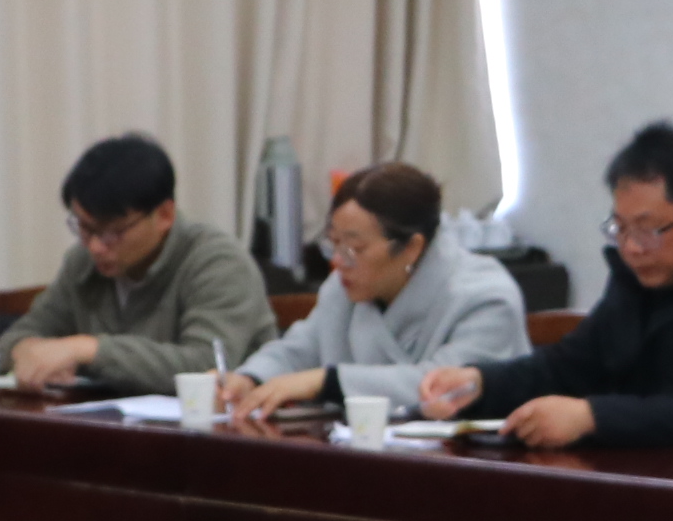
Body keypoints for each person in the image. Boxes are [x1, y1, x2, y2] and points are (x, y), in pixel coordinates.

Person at [424, 121, 673, 449]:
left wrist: (591, 417)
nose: (631, 248)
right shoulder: (640, 275)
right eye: (620, 228)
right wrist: (481, 383)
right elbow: (571, 364)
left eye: (648, 229)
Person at [222, 161, 530, 420]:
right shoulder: (345, 285)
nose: (339, 261)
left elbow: (444, 386)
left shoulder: (485, 296)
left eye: (355, 248)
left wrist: (328, 382)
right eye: (334, 243)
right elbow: (301, 347)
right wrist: (250, 378)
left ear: (412, 247)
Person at [0, 133, 272, 395]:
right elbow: (16, 339)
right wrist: (26, 350)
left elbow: (205, 365)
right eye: (84, 228)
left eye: (113, 232)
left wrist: (89, 350)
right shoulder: (82, 262)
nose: (95, 246)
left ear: (164, 215)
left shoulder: (218, 262)